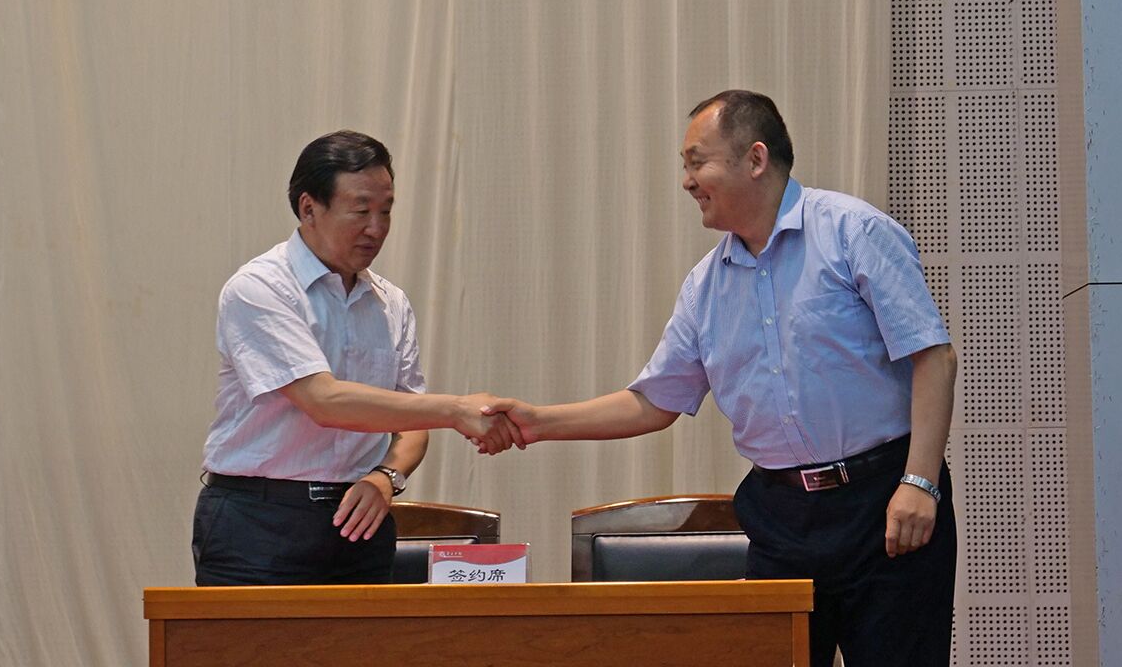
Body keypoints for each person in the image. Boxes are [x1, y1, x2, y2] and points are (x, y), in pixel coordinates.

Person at [485, 90, 958, 666]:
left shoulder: (854, 232)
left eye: (696, 162)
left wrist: (920, 482)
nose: (687, 181)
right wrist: (537, 422)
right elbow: (653, 402)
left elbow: (934, 357)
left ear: (755, 159)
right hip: (782, 521)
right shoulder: (705, 286)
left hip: (884, 505)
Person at [193, 129, 517, 586]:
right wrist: (456, 409)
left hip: (362, 517)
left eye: (386, 211)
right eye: (361, 211)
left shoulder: (390, 302)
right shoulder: (261, 288)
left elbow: (411, 422)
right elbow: (324, 401)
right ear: (309, 208)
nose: (376, 228)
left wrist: (386, 476)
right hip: (261, 522)